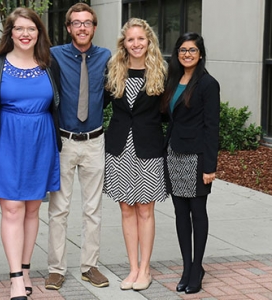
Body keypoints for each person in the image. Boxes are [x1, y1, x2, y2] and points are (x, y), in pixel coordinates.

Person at [0, 7, 61, 300]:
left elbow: (58, 105)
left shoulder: (49, 65)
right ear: (11, 33)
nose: (25, 34)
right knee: (12, 208)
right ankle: (16, 278)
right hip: (6, 141)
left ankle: (26, 269)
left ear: (38, 33)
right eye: (19, 29)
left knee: (32, 209)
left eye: (31, 29)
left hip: (41, 141)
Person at [45, 2, 111, 290]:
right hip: (64, 142)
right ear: (69, 27)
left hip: (95, 141)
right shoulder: (54, 56)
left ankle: (89, 266)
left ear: (94, 27)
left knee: (92, 209)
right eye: (76, 22)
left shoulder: (106, 56)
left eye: (87, 22)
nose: (82, 27)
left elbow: (107, 94)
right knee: (58, 210)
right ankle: (56, 269)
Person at [103, 18, 168, 291]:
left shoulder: (162, 72)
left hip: (149, 148)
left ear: (149, 41)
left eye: (141, 38)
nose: (136, 43)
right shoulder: (114, 70)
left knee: (145, 209)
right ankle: (132, 268)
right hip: (119, 148)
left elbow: (171, 112)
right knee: (126, 208)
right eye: (131, 39)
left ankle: (145, 269)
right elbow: (96, 104)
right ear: (124, 43)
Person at [161, 32, 220, 294]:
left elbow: (212, 128)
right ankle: (187, 267)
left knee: (198, 213)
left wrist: (210, 166)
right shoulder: (173, 80)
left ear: (201, 54)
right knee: (180, 214)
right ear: (177, 53)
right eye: (183, 50)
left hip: (196, 159)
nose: (187, 54)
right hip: (174, 154)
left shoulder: (208, 84)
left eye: (192, 50)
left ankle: (197, 268)